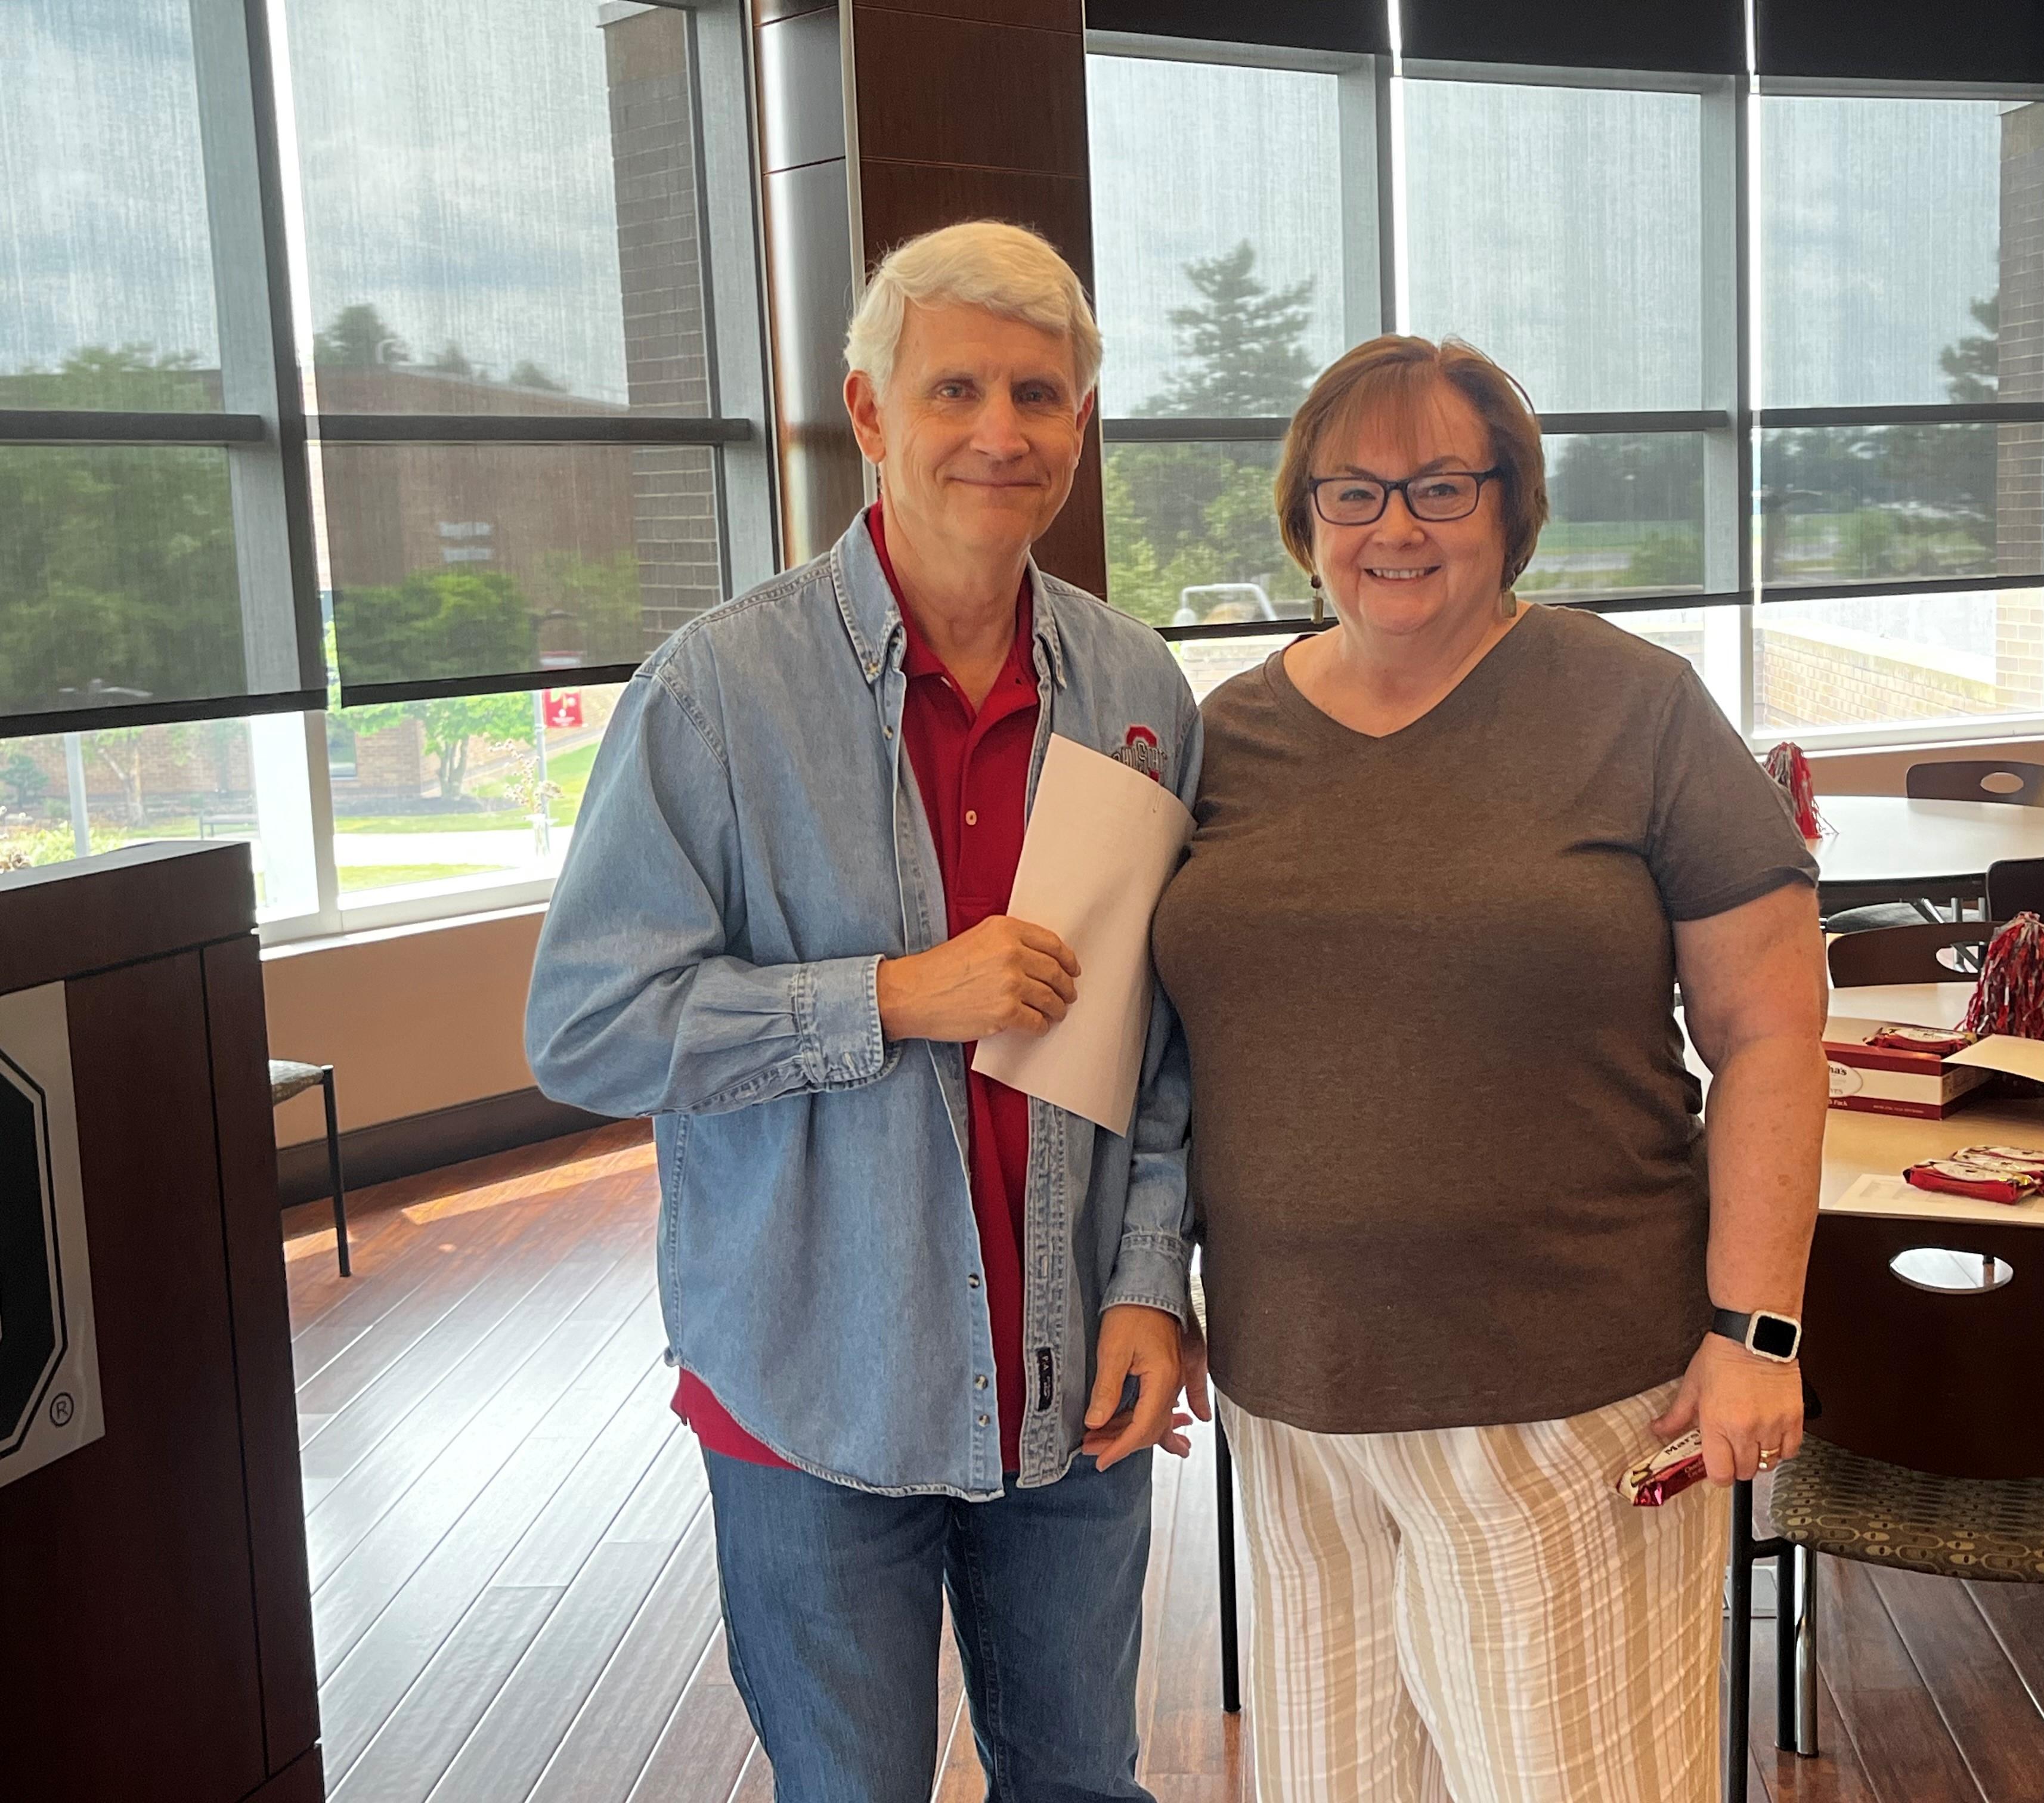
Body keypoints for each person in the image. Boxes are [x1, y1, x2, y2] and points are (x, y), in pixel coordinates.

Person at [525, 219, 1206, 1803]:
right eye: (954, 386)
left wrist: (1151, 1285)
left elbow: (1164, 1057)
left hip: (1069, 1391)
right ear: (869, 411)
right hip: (812, 1393)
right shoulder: (713, 696)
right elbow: (589, 1028)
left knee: (1087, 1788)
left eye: (1041, 393)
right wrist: (892, 998)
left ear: (1083, 426)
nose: (1000, 430)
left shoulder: (1139, 694)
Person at [1150, 334, 1829, 1803]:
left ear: (1512, 506)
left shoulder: (1634, 708)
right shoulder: (1221, 740)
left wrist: (1756, 1332)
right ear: (1304, 514)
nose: (1395, 526)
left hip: (1570, 1395)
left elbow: (1772, 1032)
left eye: (1441, 486)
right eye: (1355, 491)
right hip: (1296, 1394)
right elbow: (1157, 1062)